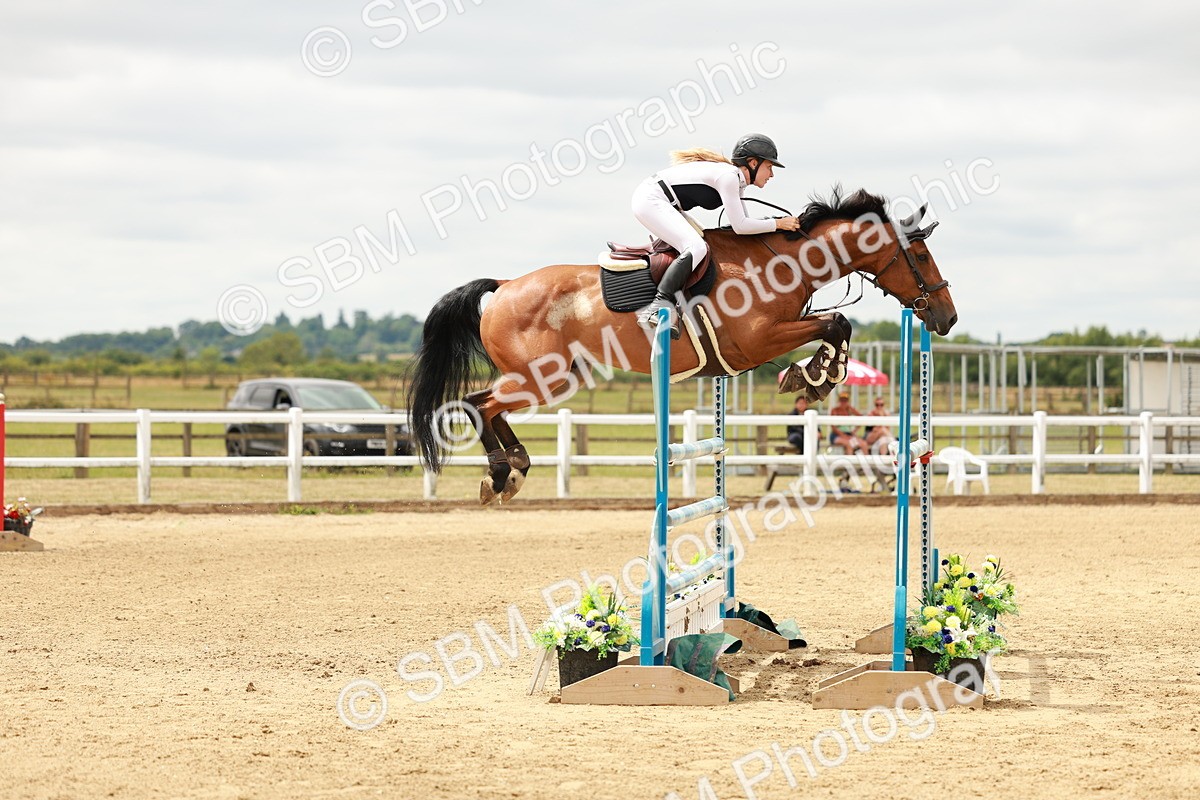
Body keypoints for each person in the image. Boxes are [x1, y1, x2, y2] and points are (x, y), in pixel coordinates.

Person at [632, 133, 801, 338]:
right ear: (753, 163)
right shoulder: (729, 177)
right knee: (696, 248)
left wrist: (776, 226)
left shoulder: (736, 181)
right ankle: (658, 305)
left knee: (703, 242)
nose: (771, 174)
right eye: (769, 167)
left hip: (665, 202)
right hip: (651, 200)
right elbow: (741, 226)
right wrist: (778, 224)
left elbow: (743, 227)